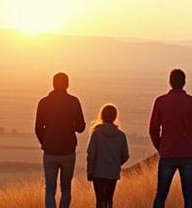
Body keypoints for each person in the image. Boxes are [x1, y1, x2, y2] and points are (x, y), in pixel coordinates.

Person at [149, 68, 192, 208]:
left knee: (161, 194)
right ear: (184, 82)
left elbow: (153, 130)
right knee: (189, 195)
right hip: (187, 154)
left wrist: (160, 147)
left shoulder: (161, 102)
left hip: (168, 153)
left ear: (170, 82)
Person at [35, 72, 86, 208]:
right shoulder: (74, 102)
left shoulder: (44, 102)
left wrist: (45, 142)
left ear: (53, 84)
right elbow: (81, 127)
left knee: (50, 190)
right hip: (68, 150)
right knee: (66, 188)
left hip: (50, 151)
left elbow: (38, 128)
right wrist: (71, 125)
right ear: (67, 85)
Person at [86, 104, 130, 208]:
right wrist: (116, 164)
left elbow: (91, 155)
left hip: (98, 172)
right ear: (115, 117)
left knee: (100, 201)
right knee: (109, 200)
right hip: (112, 173)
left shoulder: (96, 134)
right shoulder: (121, 135)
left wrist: (90, 171)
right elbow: (125, 155)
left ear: (102, 116)